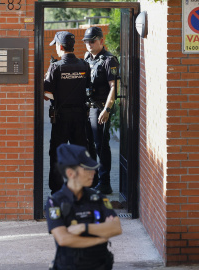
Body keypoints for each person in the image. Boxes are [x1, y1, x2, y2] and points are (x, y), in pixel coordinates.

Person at [45, 143, 122, 270]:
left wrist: (83, 227)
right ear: (70, 173)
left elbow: (116, 227)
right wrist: (100, 239)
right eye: (87, 169)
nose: (93, 172)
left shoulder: (97, 197)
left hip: (99, 265)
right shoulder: (55, 202)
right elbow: (63, 239)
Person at [44, 31, 91, 194]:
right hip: (80, 116)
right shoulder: (84, 65)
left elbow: (46, 94)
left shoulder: (55, 67)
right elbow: (88, 88)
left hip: (61, 117)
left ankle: (57, 190)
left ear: (60, 46)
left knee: (57, 153)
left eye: (56, 45)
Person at [83, 26, 120, 195]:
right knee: (89, 146)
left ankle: (105, 183)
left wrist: (107, 109)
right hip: (88, 108)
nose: (89, 44)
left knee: (101, 146)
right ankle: (94, 180)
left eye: (92, 41)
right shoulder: (87, 57)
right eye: (86, 42)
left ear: (101, 41)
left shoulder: (109, 60)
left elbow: (114, 87)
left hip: (100, 109)